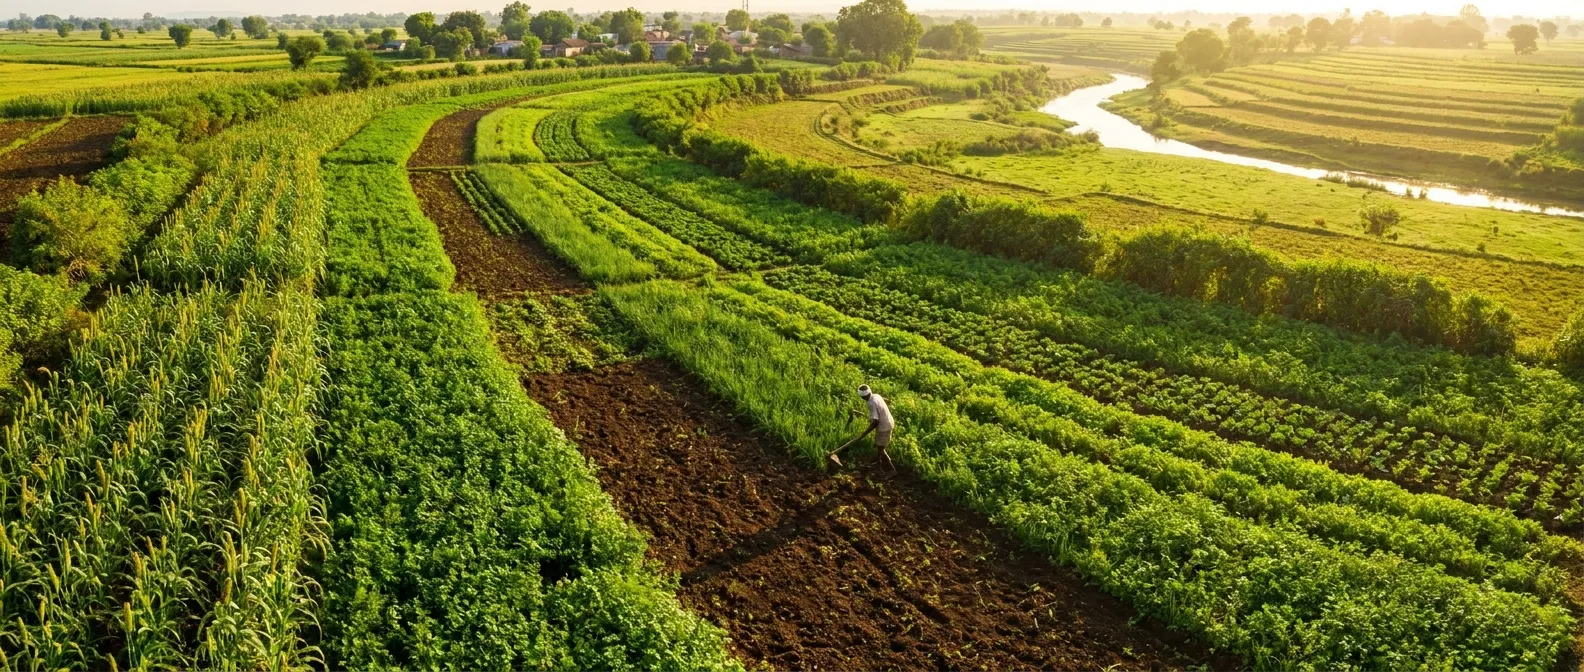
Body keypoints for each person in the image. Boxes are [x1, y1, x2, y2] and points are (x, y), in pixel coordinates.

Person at [828, 384, 894, 470]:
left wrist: (864, 433)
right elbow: (883, 403)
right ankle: (879, 463)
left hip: (884, 427)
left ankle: (890, 468)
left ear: (862, 397)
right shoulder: (876, 395)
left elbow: (875, 422)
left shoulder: (871, 403)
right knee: (879, 446)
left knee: (880, 448)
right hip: (888, 421)